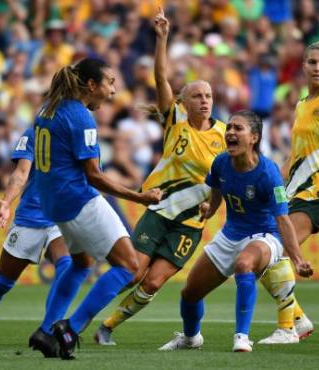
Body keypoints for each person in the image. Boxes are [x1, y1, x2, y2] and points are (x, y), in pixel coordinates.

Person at [94, 7, 226, 346]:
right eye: (197, 95)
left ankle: (106, 327)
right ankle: (82, 314)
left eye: (209, 95)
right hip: (159, 210)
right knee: (134, 273)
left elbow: (229, 178)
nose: (205, 100)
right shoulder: (175, 122)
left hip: (191, 224)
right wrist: (162, 39)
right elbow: (160, 78)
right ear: (183, 101)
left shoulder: (226, 135)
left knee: (152, 283)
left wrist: (219, 206)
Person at [31, 57, 162, 360]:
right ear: (92, 85)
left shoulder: (49, 108)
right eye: (110, 83)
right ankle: (69, 329)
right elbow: (94, 175)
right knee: (130, 267)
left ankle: (47, 329)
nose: (114, 90)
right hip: (79, 199)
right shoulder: (79, 116)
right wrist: (139, 197)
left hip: (55, 202)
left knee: (81, 264)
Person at [159, 110, 313, 353]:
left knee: (244, 263)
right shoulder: (221, 163)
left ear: (254, 137)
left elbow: (282, 219)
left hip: (264, 235)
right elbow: (217, 193)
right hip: (230, 235)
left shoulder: (268, 172)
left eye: (237, 128)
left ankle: (242, 337)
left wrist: (298, 259)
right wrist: (210, 209)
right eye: (229, 127)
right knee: (189, 293)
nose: (230, 132)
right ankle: (190, 338)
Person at [0, 127, 87, 353]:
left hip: (61, 215)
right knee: (1, 284)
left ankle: (48, 332)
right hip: (31, 216)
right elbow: (21, 172)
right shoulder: (36, 130)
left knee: (67, 265)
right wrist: (7, 202)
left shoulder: (81, 129)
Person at [258, 41, 319, 344]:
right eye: (312, 62)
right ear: (303, 66)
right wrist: (275, 180)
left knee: (277, 252)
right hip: (295, 189)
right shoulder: (301, 103)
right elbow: (297, 153)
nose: (318, 68)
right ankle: (297, 319)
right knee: (263, 254)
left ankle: (287, 328)